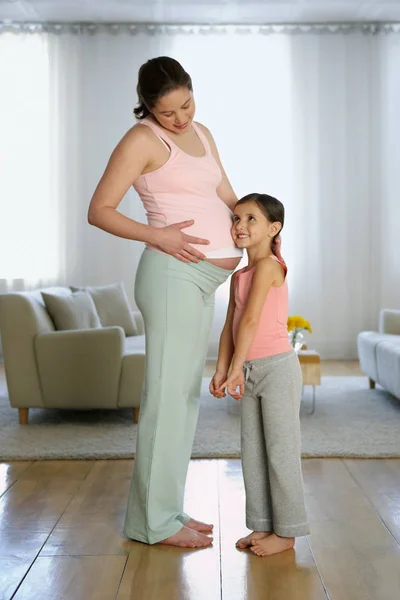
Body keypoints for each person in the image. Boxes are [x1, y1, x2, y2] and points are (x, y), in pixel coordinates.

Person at [88, 56, 243, 548]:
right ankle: (152, 524)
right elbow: (100, 210)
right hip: (173, 274)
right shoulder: (141, 140)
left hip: (202, 279)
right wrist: (159, 235)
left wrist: (256, 238)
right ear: (147, 107)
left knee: (184, 399)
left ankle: (169, 511)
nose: (181, 119)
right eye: (168, 112)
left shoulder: (204, 133)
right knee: (164, 401)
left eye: (187, 105)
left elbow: (227, 196)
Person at [210, 193, 310, 556]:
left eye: (251, 219)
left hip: (276, 369)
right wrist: (223, 369)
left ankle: (288, 532)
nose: (240, 225)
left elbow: (252, 320)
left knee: (281, 451)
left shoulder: (270, 265)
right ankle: (263, 525)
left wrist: (236, 369)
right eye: (237, 218)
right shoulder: (240, 274)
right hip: (248, 370)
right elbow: (230, 327)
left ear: (274, 228)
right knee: (252, 452)